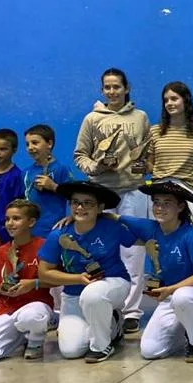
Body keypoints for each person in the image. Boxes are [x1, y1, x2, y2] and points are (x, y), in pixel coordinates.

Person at [73, 68, 152, 334]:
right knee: (100, 250)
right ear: (101, 90)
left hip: (134, 192)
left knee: (134, 253)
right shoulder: (92, 118)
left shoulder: (141, 117)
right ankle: (107, 306)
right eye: (107, 87)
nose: (112, 91)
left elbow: (147, 153)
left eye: (116, 86)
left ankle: (131, 311)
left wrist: (144, 166)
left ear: (126, 88)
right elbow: (80, 155)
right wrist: (97, 167)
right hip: (100, 195)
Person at [115, 181, 193, 363]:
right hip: (170, 299)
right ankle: (185, 330)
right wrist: (74, 219)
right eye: (156, 202)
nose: (160, 208)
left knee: (182, 296)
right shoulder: (151, 228)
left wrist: (170, 289)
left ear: (180, 207)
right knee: (150, 351)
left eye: (167, 203)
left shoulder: (190, 236)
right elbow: (115, 218)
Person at [38, 181, 136, 362]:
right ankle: (110, 322)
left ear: (100, 207)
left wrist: (116, 217)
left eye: (87, 203)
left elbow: (144, 236)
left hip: (112, 283)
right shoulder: (59, 234)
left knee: (93, 295)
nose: (80, 208)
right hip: (74, 295)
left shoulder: (111, 227)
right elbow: (44, 273)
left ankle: (102, 346)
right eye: (75, 202)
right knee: (71, 351)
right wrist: (77, 278)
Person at [0, 200, 55, 362]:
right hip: (8, 307)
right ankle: (22, 336)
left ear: (31, 222)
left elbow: (57, 280)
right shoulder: (1, 252)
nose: (10, 223)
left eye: (16, 218)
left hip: (36, 304)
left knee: (31, 317)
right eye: (7, 219)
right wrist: (2, 289)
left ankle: (36, 339)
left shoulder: (44, 246)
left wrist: (33, 283)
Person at [145, 81, 193, 230]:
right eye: (166, 100)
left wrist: (191, 173)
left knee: (192, 234)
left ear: (185, 100)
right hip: (160, 190)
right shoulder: (154, 131)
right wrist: (155, 170)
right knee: (159, 238)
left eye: (174, 99)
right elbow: (149, 164)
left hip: (189, 190)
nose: (169, 103)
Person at [23, 124, 74, 237]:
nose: (30, 147)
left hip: (55, 231)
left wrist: (54, 187)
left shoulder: (61, 169)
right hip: (31, 231)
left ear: (49, 144)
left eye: (35, 143)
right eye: (27, 144)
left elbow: (74, 195)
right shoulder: (26, 173)